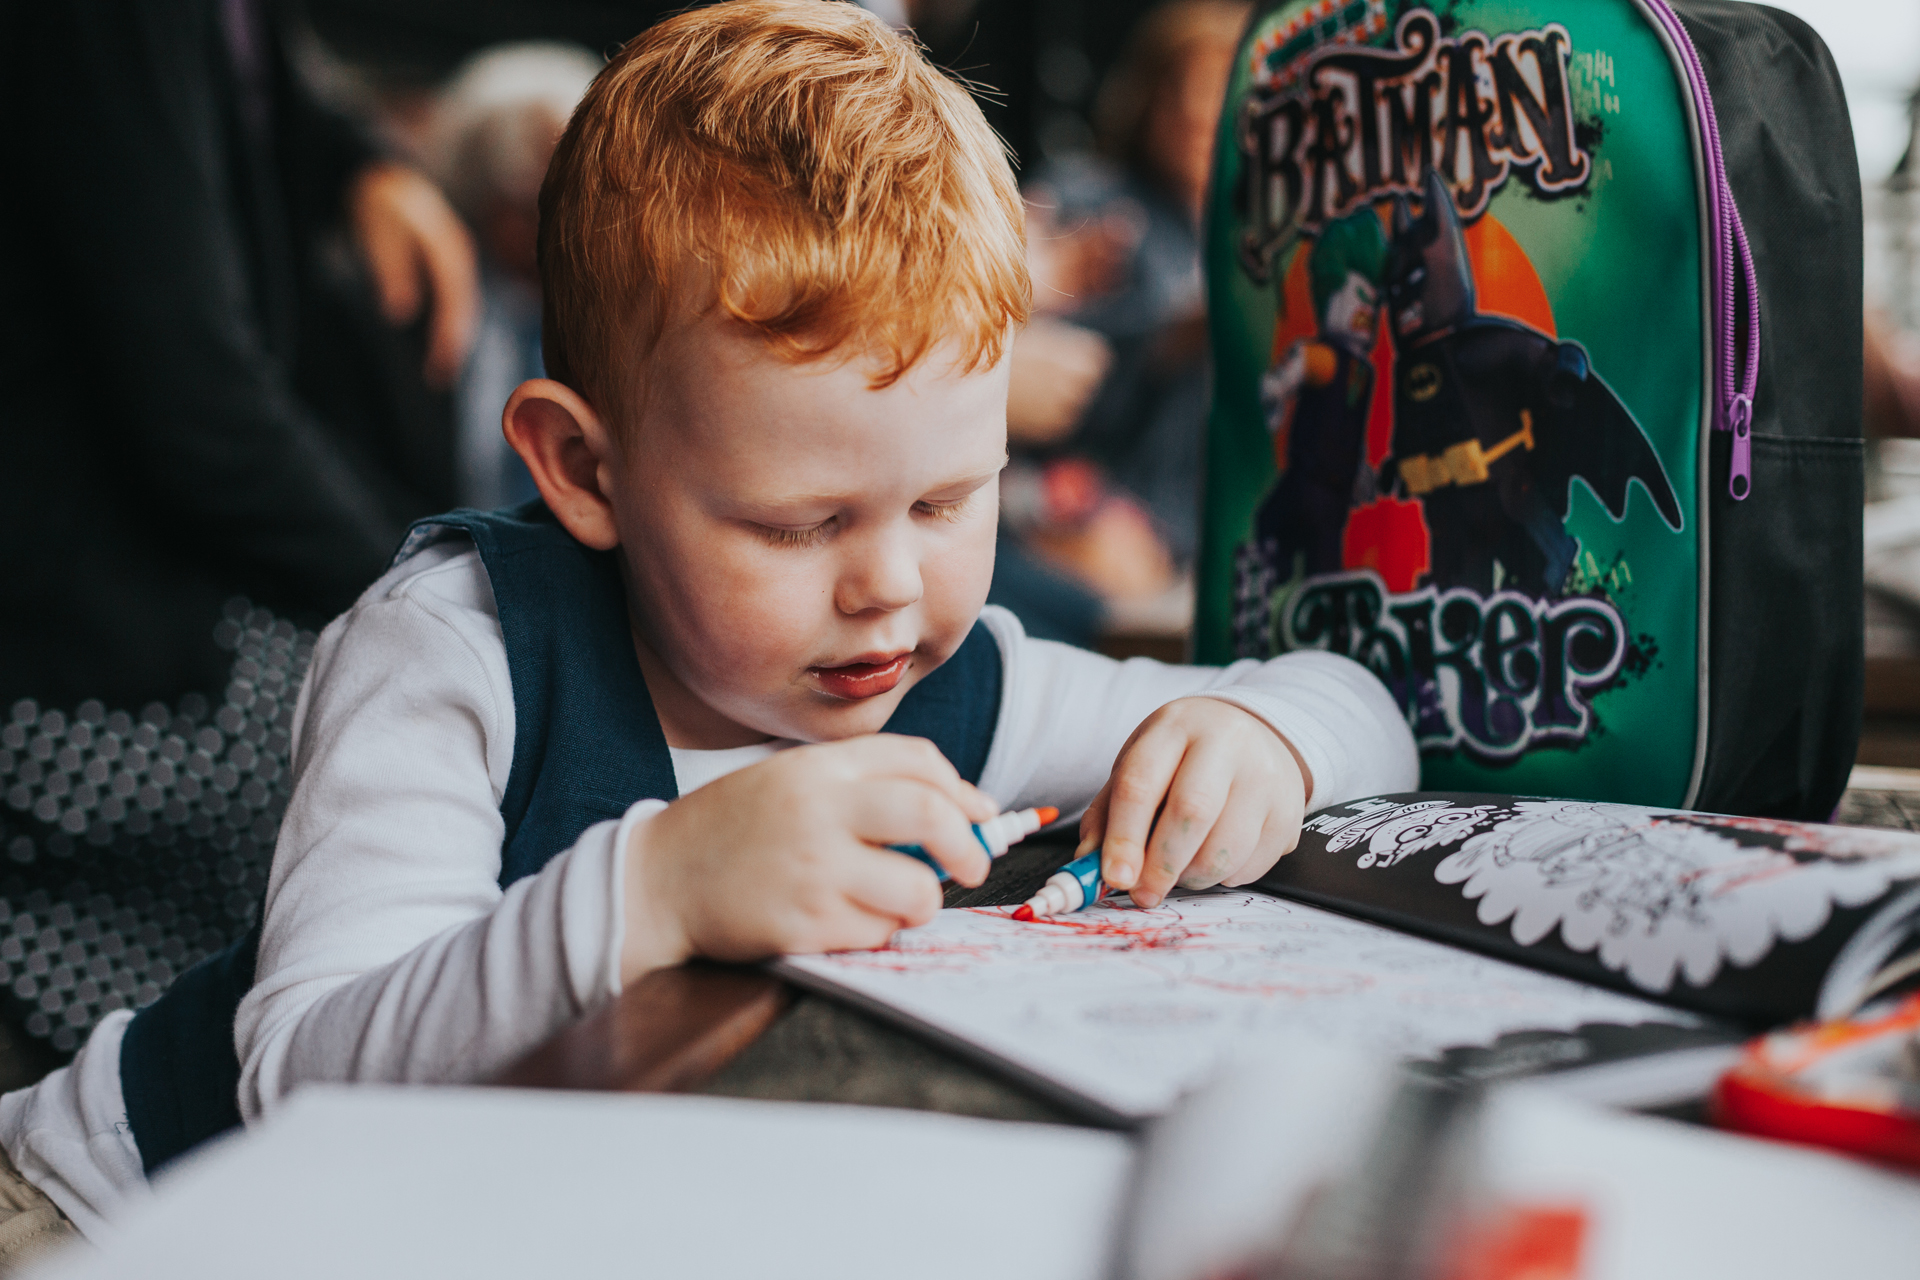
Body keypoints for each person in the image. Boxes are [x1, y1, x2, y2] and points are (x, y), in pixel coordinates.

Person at [0, 0, 1418, 1259]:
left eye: (947, 500)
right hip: (113, 1208)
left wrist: (1261, 736)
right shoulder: (460, 649)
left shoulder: (945, 675)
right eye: (797, 524)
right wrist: (661, 889)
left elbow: (1367, 709)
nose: (890, 588)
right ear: (586, 472)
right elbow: (300, 1075)